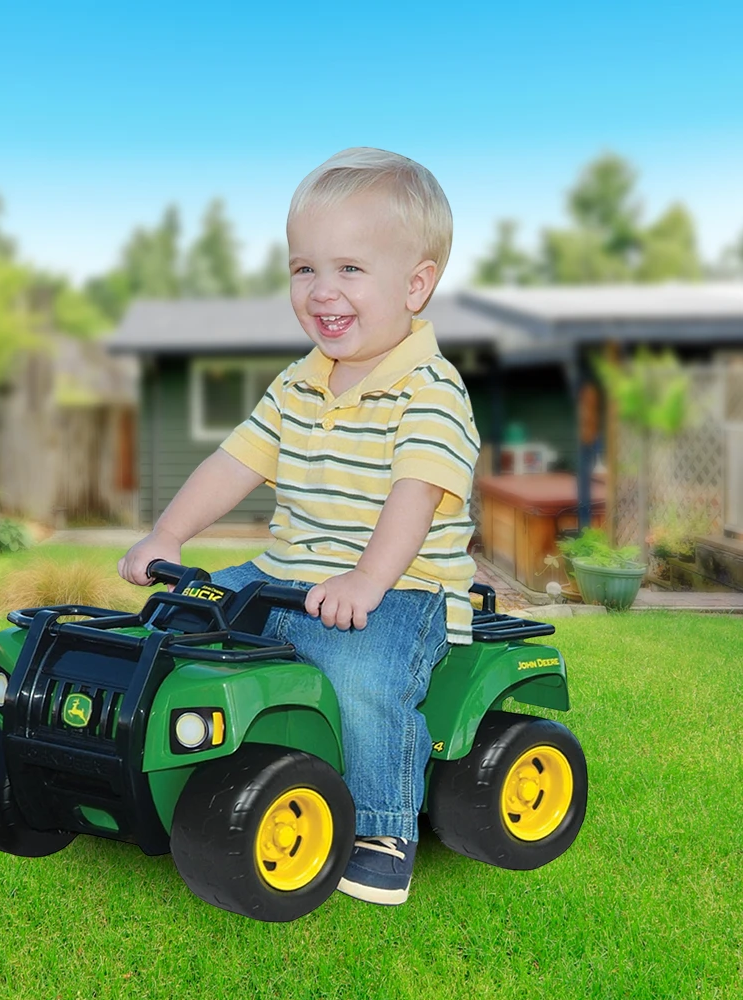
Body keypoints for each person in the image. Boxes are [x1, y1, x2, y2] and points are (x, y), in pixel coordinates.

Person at [118, 147, 480, 905]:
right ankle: (160, 761)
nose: (322, 291)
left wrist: (367, 581)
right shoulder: (298, 380)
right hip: (287, 571)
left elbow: (414, 498)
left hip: (402, 591)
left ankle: (382, 829)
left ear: (416, 284)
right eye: (303, 269)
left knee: (359, 675)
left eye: (350, 269)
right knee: (185, 612)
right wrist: (169, 537)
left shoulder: (430, 390)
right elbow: (233, 463)